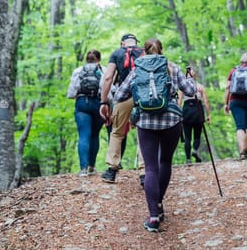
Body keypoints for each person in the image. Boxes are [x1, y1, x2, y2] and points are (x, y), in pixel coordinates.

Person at [114, 38, 197, 232]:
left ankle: (153, 218)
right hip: (171, 120)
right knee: (165, 162)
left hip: (145, 121)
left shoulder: (137, 69)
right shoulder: (172, 67)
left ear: (144, 51)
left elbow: (119, 95)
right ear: (162, 50)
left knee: (150, 168)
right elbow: (191, 91)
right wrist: (191, 77)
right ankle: (158, 203)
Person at [99, 34, 145, 184]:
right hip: (143, 97)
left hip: (123, 96)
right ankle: (144, 172)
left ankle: (112, 171)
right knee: (143, 133)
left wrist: (103, 102)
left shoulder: (116, 53)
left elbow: (108, 78)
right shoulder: (144, 52)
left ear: (122, 43)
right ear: (136, 42)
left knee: (117, 133)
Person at [67, 49, 105, 177]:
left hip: (82, 103)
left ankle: (83, 169)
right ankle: (91, 167)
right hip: (99, 104)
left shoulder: (78, 71)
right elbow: (109, 93)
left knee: (83, 135)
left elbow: (71, 93)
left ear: (86, 59)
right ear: (98, 59)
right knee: (95, 135)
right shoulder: (103, 70)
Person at [178, 66, 210, 164]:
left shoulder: (182, 88)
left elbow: (179, 102)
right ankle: (195, 150)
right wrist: (208, 115)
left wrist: (178, 115)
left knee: (187, 137)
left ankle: (188, 159)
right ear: (194, 76)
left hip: (187, 111)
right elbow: (206, 102)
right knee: (197, 135)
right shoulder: (200, 86)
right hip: (198, 110)